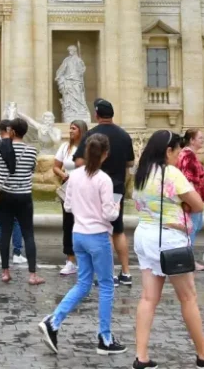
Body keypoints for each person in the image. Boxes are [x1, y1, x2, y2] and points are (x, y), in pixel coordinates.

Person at [131, 130, 204, 369]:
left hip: (144, 236)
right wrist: (184, 204)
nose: (179, 156)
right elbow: (198, 205)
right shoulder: (171, 173)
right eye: (177, 151)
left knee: (148, 298)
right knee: (188, 298)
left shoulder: (141, 173)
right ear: (168, 151)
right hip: (169, 238)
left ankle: (141, 357)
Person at [38, 133, 125, 355]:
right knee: (106, 285)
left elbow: (68, 207)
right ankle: (105, 337)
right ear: (105, 155)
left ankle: (54, 321)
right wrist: (117, 206)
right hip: (97, 236)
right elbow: (109, 214)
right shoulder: (104, 179)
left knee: (83, 283)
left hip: (78, 235)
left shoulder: (74, 176)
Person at [73, 98, 135, 286]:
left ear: (96, 115)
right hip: (116, 188)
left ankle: (108, 274)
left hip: (95, 187)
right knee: (118, 229)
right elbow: (131, 163)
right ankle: (126, 272)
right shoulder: (124, 135)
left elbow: (78, 162)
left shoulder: (92, 135)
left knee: (103, 230)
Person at [0, 117, 44, 285]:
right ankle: (32, 274)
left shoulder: (0, 150)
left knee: (5, 232)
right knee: (28, 233)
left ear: (12, 131)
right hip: (24, 196)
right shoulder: (31, 150)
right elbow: (31, 169)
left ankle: (5, 272)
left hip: (4, 195)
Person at [0, 119, 25, 265]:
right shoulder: (21, 146)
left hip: (1, 188)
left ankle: (2, 254)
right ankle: (17, 253)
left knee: (1, 222)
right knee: (16, 221)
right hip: (18, 189)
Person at [54, 119, 87, 276]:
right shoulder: (65, 147)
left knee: (83, 223)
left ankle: (84, 260)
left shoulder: (87, 147)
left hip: (84, 190)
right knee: (68, 223)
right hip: (68, 189)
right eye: (70, 128)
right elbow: (55, 166)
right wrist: (64, 175)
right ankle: (70, 260)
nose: (71, 131)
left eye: (74, 128)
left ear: (81, 130)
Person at [177, 128, 204, 271]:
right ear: (192, 140)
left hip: (192, 198)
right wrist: (193, 201)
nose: (203, 140)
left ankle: (186, 259)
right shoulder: (188, 155)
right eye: (200, 138)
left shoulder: (185, 154)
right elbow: (188, 179)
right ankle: (189, 261)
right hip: (192, 200)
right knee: (191, 230)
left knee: (191, 229)